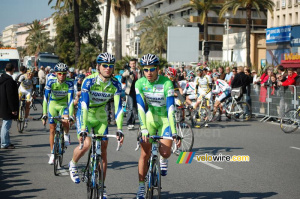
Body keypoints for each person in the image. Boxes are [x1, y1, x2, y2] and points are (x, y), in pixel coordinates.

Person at [68, 53, 124, 197]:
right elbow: (85, 104)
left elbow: (118, 108)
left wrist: (119, 129)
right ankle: (73, 163)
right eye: (104, 65)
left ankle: (102, 186)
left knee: (103, 151)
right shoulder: (89, 81)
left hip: (100, 115)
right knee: (86, 144)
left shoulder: (116, 83)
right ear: (98, 67)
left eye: (111, 66)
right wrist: (82, 129)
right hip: (85, 113)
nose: (108, 68)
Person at [135, 53, 180, 199]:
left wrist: (174, 132)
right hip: (149, 118)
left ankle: (163, 159)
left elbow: (170, 108)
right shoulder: (140, 83)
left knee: (166, 152)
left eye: (152, 69)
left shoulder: (167, 83)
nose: (148, 73)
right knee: (144, 154)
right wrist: (143, 128)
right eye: (145, 69)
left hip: (165, 119)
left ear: (158, 69)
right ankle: (142, 186)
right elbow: (141, 107)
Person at [42, 63, 74, 165]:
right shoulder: (51, 82)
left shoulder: (70, 83)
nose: (62, 76)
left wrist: (71, 115)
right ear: (56, 73)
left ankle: (66, 134)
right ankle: (52, 153)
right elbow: (45, 99)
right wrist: (44, 114)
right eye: (60, 73)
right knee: (52, 129)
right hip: (53, 104)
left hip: (63, 105)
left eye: (64, 74)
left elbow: (70, 100)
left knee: (65, 120)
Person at [0, 63, 19, 149]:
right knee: (6, 124)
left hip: (2, 104)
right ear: (13, 69)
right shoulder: (9, 81)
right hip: (7, 106)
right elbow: (10, 96)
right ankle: (4, 143)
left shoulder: (2, 79)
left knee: (6, 124)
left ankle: (7, 141)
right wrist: (13, 108)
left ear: (5, 69)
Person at [121, 58, 142, 130]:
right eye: (131, 64)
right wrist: (125, 74)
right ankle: (129, 123)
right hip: (130, 91)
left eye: (134, 63)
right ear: (129, 64)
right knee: (130, 107)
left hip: (137, 91)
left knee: (135, 108)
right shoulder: (127, 71)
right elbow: (122, 80)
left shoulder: (139, 71)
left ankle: (132, 123)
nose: (133, 65)